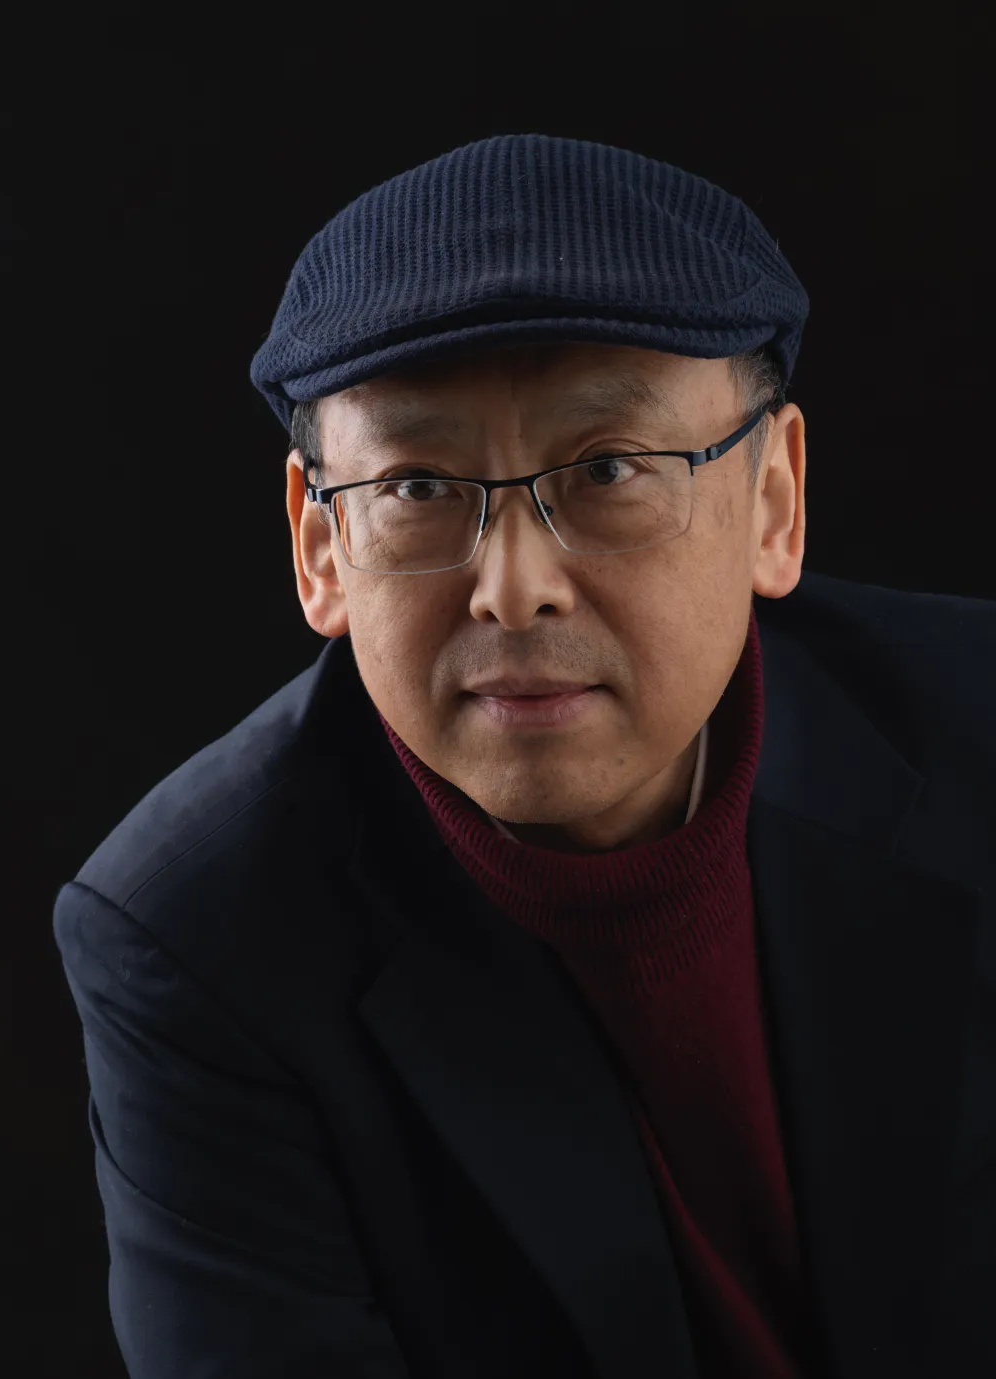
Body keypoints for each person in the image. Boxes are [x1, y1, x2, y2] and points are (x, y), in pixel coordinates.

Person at [53, 134, 996, 1378]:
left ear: (774, 501)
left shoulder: (973, 725)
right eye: (417, 487)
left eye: (609, 468)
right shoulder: (197, 933)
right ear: (319, 548)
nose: (513, 587)